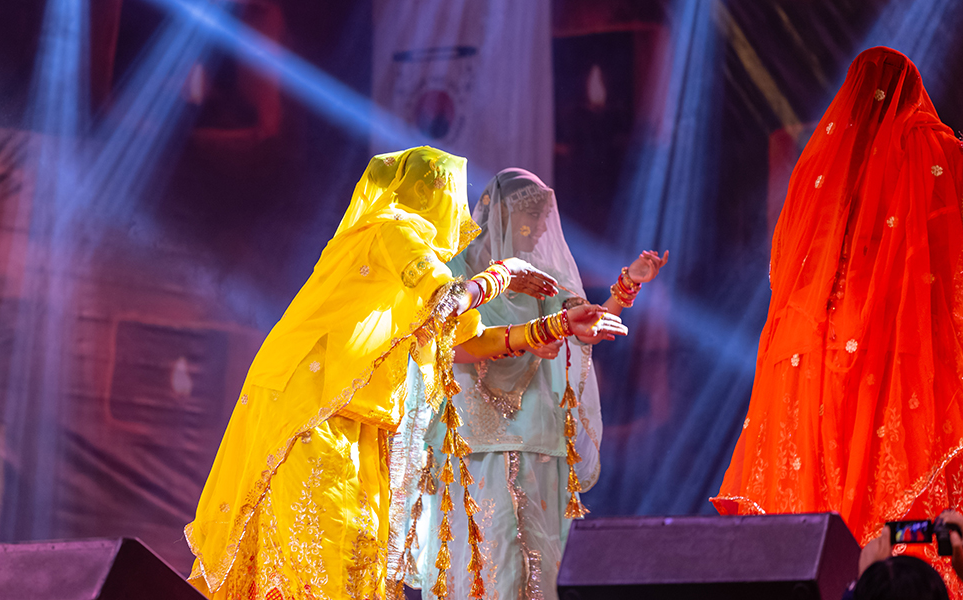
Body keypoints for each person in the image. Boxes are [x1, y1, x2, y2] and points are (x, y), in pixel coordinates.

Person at [185, 147, 627, 600]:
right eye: (452, 193)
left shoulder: (410, 251)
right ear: (429, 192)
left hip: (356, 414)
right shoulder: (393, 230)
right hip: (313, 409)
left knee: (358, 556)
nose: (459, 211)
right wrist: (504, 273)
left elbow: (466, 339)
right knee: (324, 555)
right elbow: (449, 302)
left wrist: (555, 324)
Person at [712, 47, 963, 591]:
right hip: (893, 343)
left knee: (818, 488)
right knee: (888, 482)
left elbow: (789, 264)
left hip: (810, 349)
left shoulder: (822, 167)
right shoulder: (928, 146)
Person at [401, 168, 665, 600]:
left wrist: (628, 284)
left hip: (537, 433)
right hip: (474, 435)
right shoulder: (458, 272)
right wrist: (529, 336)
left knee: (538, 563)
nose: (543, 226)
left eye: (545, 216)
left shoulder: (543, 275)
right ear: (504, 214)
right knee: (490, 558)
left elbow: (583, 322)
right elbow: (443, 343)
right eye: (534, 215)